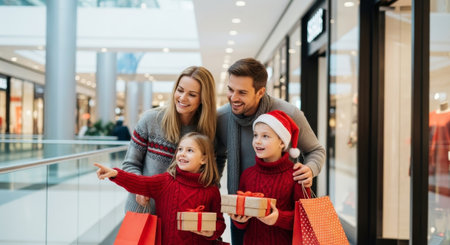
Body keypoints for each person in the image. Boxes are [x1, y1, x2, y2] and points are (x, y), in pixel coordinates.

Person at [215, 58, 325, 244]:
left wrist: (310, 169)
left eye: (242, 92)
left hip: (282, 216)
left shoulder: (289, 113)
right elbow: (216, 156)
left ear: (260, 92)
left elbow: (316, 150)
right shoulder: (222, 118)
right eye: (230, 89)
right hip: (244, 215)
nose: (233, 97)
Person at [94, 132, 226, 245]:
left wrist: (211, 232)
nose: (182, 154)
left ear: (204, 159)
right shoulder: (165, 182)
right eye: (180, 149)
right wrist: (116, 174)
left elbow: (220, 223)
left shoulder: (211, 190)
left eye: (190, 150)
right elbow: (140, 182)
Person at [122, 66, 218, 214]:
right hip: (144, 211)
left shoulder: (207, 130)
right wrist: (140, 188)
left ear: (203, 99)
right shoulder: (150, 119)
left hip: (182, 215)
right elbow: (130, 164)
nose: (182, 98)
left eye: (192, 94)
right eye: (180, 90)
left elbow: (211, 171)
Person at [229, 110, 311, 245]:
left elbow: (305, 220)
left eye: (265, 136)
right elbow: (242, 223)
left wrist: (278, 218)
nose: (258, 141)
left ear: (282, 143)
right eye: (255, 135)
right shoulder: (247, 175)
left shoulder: (297, 175)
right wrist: (239, 219)